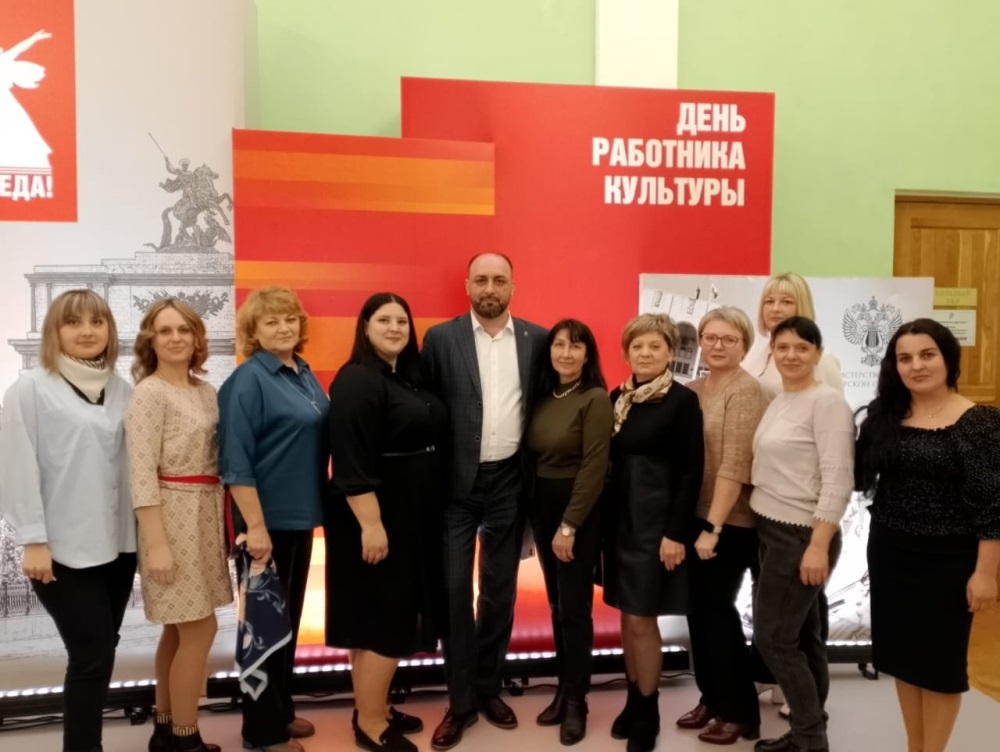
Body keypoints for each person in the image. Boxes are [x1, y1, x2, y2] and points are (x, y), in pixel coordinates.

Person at [420, 253, 548, 750]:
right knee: (454, 594)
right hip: (455, 487)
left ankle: (489, 688)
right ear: (467, 285)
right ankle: (460, 703)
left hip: (510, 482)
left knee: (500, 591)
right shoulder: (440, 339)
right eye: (481, 280)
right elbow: (426, 409)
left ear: (513, 285)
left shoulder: (537, 339)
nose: (489, 288)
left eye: (499, 280)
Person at [0, 290, 136, 752]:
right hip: (60, 549)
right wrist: (32, 539)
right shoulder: (30, 389)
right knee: (91, 655)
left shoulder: (122, 389)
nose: (86, 331)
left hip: (119, 545)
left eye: (97, 322)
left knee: (102, 650)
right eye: (73, 322)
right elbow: (16, 467)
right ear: (54, 332)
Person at [856, 319, 1000, 752]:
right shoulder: (886, 416)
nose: (916, 365)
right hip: (890, 552)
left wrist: (986, 574)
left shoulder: (979, 422)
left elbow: (993, 507)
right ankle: (914, 746)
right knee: (904, 660)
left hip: (948, 561)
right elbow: (858, 477)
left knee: (940, 667)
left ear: (947, 358)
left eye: (926, 355)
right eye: (905, 358)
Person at [326, 293, 448, 752]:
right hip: (377, 516)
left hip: (409, 514)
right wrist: (372, 525)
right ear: (365, 326)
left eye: (402, 321)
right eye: (384, 320)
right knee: (385, 620)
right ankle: (371, 723)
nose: (395, 328)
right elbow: (350, 461)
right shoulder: (357, 379)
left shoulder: (403, 377)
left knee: (375, 618)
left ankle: (372, 705)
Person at [218, 287, 330, 752]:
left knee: (286, 626)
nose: (283, 328)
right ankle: (260, 733)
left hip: (299, 518)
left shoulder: (302, 372)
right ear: (253, 331)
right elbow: (235, 462)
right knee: (263, 631)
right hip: (264, 526)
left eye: (289, 319)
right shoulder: (248, 380)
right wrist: (255, 527)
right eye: (271, 322)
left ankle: (280, 712)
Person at [126, 299, 232, 752]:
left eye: (184, 330)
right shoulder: (149, 393)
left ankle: (166, 730)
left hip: (204, 511)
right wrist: (157, 544)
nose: (175, 338)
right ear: (150, 339)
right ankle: (187, 740)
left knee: (177, 628)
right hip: (171, 515)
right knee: (200, 629)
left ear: (196, 338)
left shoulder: (206, 391)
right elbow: (140, 473)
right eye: (165, 330)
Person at [749, 317, 854, 752]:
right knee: (804, 638)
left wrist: (817, 546)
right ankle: (808, 729)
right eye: (783, 347)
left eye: (802, 348)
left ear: (818, 354)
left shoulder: (827, 403)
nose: (791, 355)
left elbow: (839, 479)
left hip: (800, 535)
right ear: (772, 351)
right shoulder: (783, 398)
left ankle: (811, 739)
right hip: (772, 529)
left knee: (773, 638)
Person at [602, 313, 705, 752]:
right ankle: (633, 699)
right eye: (637, 346)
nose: (645, 353)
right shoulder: (618, 397)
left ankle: (648, 710)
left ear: (670, 352)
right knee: (626, 616)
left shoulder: (682, 401)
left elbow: (691, 470)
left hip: (655, 525)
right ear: (627, 351)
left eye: (655, 346)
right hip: (618, 525)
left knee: (643, 620)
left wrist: (675, 533)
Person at [679, 307, 771, 746]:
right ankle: (711, 698)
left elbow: (736, 463)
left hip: (729, 522)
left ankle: (740, 713)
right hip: (694, 516)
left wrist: (713, 527)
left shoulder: (746, 390)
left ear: (744, 345)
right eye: (710, 337)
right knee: (697, 612)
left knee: (718, 614)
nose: (717, 345)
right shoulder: (693, 390)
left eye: (728, 339)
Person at [524, 319, 613, 746]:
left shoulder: (594, 398)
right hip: (542, 507)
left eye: (575, 346)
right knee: (558, 604)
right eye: (559, 345)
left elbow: (595, 467)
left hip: (576, 512)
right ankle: (564, 689)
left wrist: (569, 525)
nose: (565, 353)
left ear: (587, 354)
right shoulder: (544, 397)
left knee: (575, 608)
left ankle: (578, 699)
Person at [743, 273, 844, 398]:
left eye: (786, 302)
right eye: (769, 301)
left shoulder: (822, 359)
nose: (775, 309)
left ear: (802, 306)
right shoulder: (752, 355)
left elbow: (834, 405)